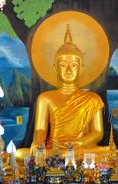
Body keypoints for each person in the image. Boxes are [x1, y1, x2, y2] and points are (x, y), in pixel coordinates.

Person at [16, 25, 109, 162]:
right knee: (19, 154)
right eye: (63, 65)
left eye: (73, 65)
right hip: (54, 149)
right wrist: (37, 143)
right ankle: (61, 157)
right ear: (55, 68)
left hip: (81, 148)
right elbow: (40, 130)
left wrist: (81, 142)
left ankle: (63, 158)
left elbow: (97, 132)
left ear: (81, 68)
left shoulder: (92, 98)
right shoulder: (45, 98)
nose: (69, 70)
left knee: (109, 151)